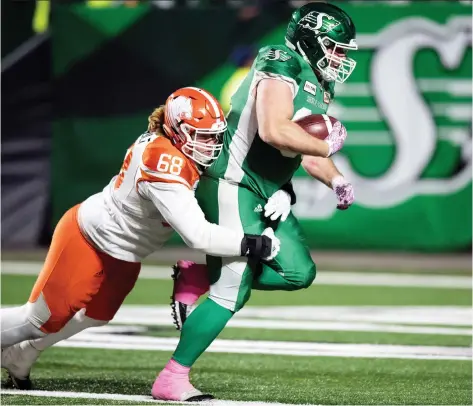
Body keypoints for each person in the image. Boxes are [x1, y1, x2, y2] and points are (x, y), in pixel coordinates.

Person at [1, 87, 281, 398]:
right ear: (177, 131)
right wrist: (253, 244)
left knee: (97, 316)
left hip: (124, 251)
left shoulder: (176, 144)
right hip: (89, 239)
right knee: (39, 320)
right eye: (202, 136)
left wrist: (281, 189)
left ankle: (20, 355)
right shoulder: (165, 161)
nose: (212, 145)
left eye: (215, 136)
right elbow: (197, 235)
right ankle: (22, 348)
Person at [152, 2, 357, 401]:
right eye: (334, 47)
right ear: (310, 41)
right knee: (233, 289)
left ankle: (196, 276)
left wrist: (338, 179)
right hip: (233, 182)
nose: (339, 57)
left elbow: (311, 154)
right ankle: (172, 377)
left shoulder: (319, 82)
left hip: (266, 191)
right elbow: (275, 130)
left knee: (299, 273)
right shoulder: (280, 61)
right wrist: (322, 141)